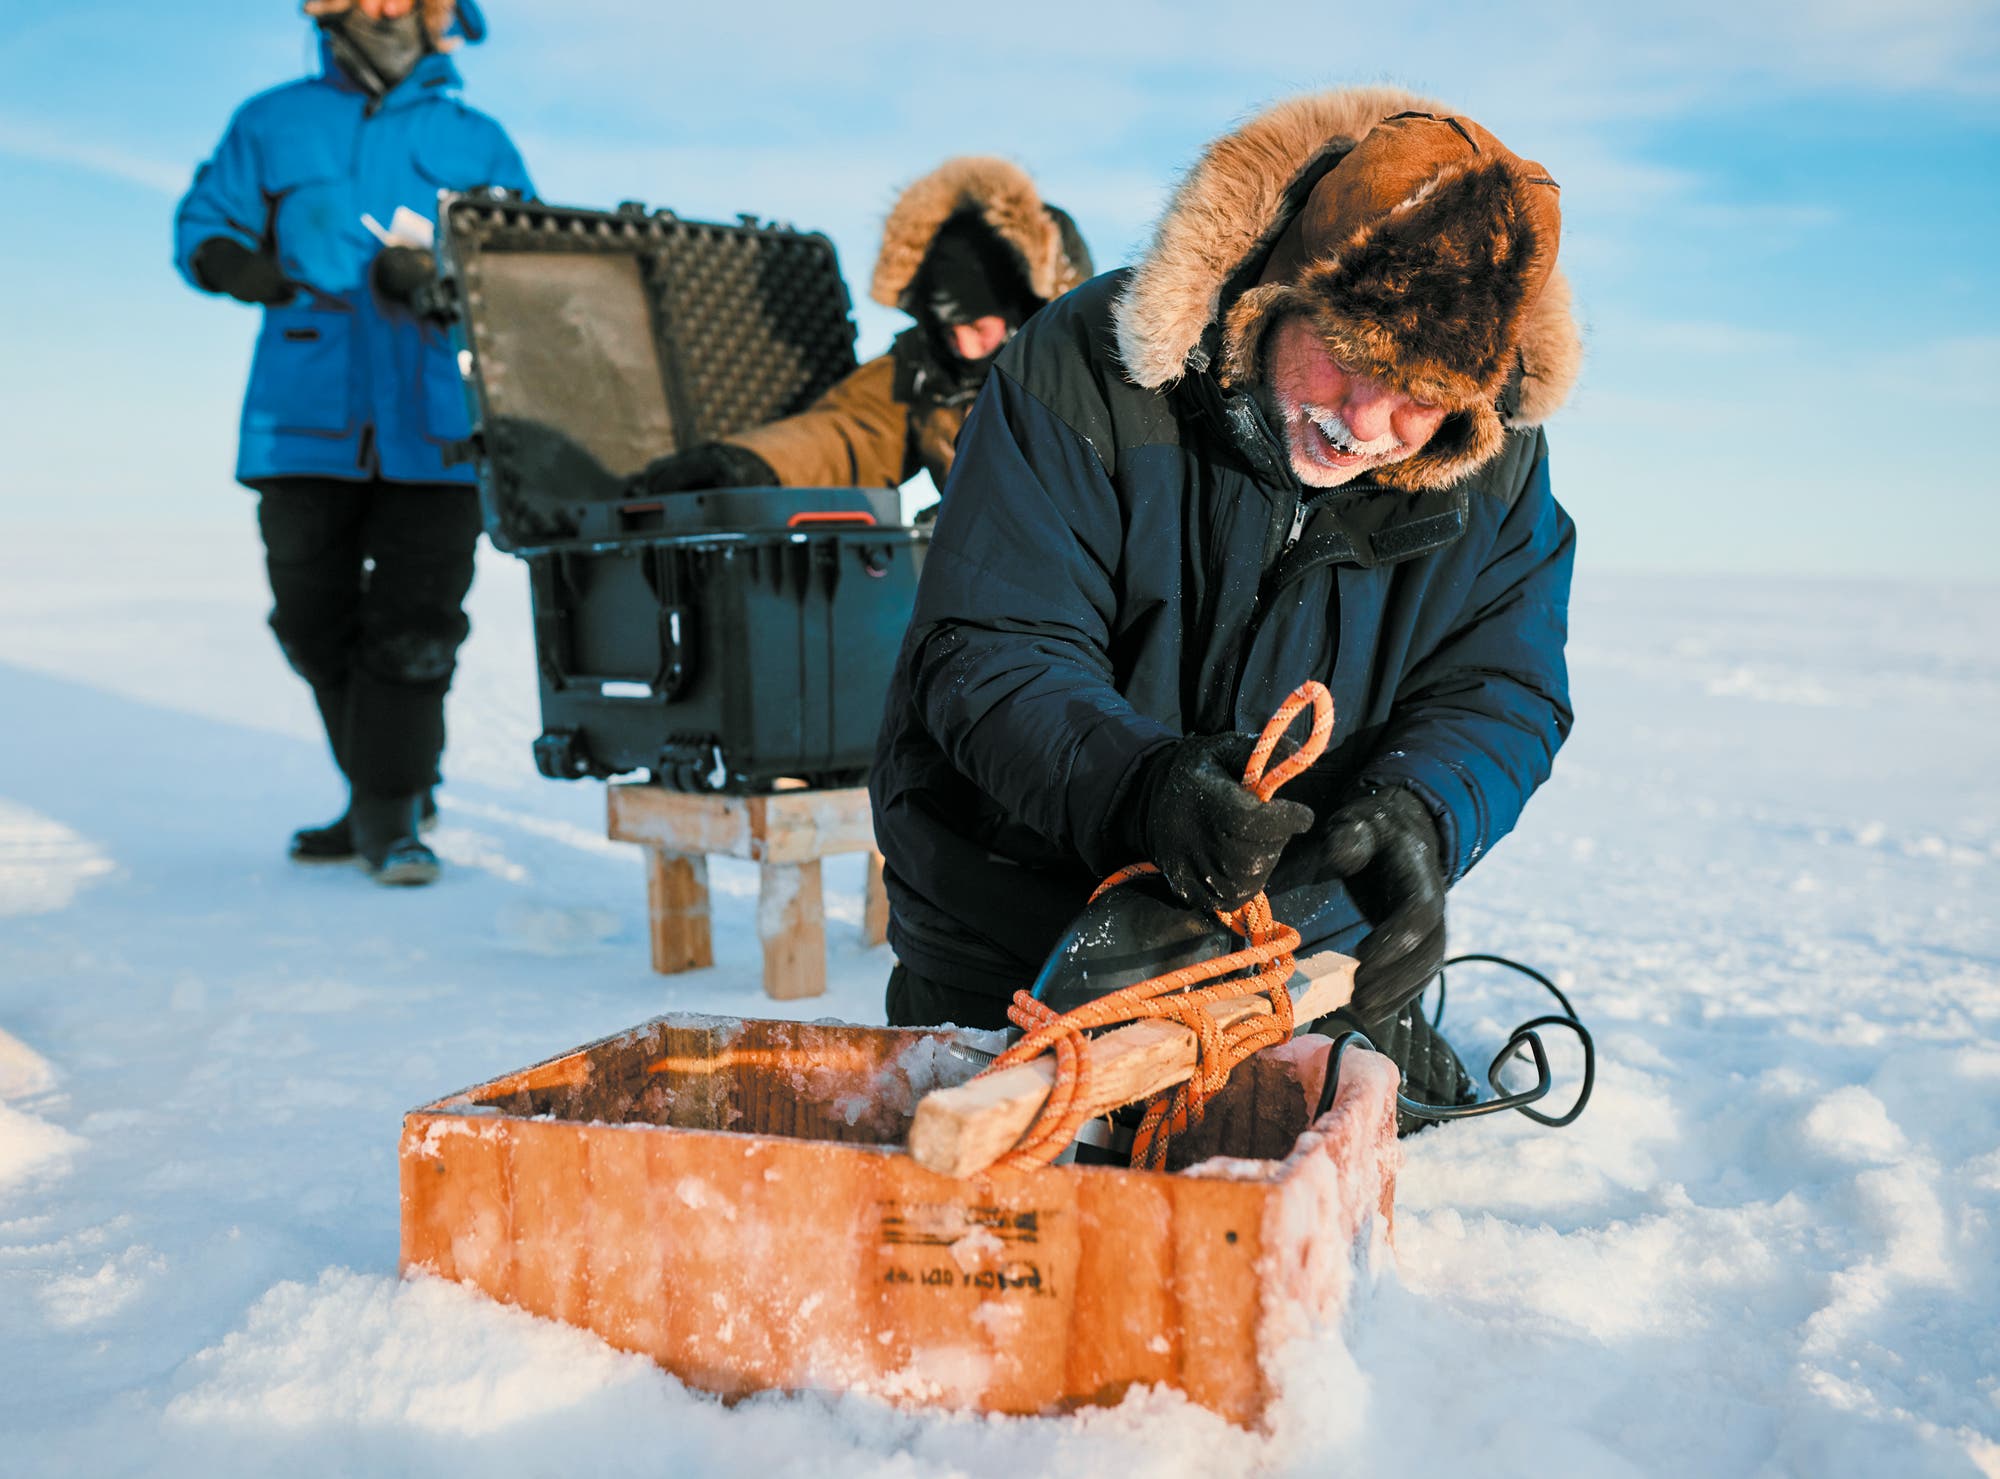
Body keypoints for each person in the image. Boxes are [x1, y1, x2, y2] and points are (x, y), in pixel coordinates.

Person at [869, 88, 1583, 1107]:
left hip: (1290, 958)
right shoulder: (1088, 363)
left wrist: (1421, 815)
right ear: (1276, 297)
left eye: (1418, 400)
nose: (1364, 425)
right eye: (1345, 364)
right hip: (1017, 924)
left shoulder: (1498, 464)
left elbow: (1499, 687)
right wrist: (1139, 788)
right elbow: (990, 645)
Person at [174, 0, 530, 886]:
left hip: (435, 420)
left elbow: (528, 267)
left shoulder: (477, 137)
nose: (382, 7)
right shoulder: (272, 119)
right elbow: (204, 220)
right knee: (310, 619)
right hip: (303, 419)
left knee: (415, 629)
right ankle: (391, 788)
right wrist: (232, 263)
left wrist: (440, 277)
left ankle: (391, 816)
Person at [630, 157, 1093, 499]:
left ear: (1027, 313)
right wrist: (750, 465)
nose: (961, 345)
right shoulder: (926, 367)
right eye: (946, 327)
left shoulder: (1093, 373)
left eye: (976, 326)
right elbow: (855, 432)